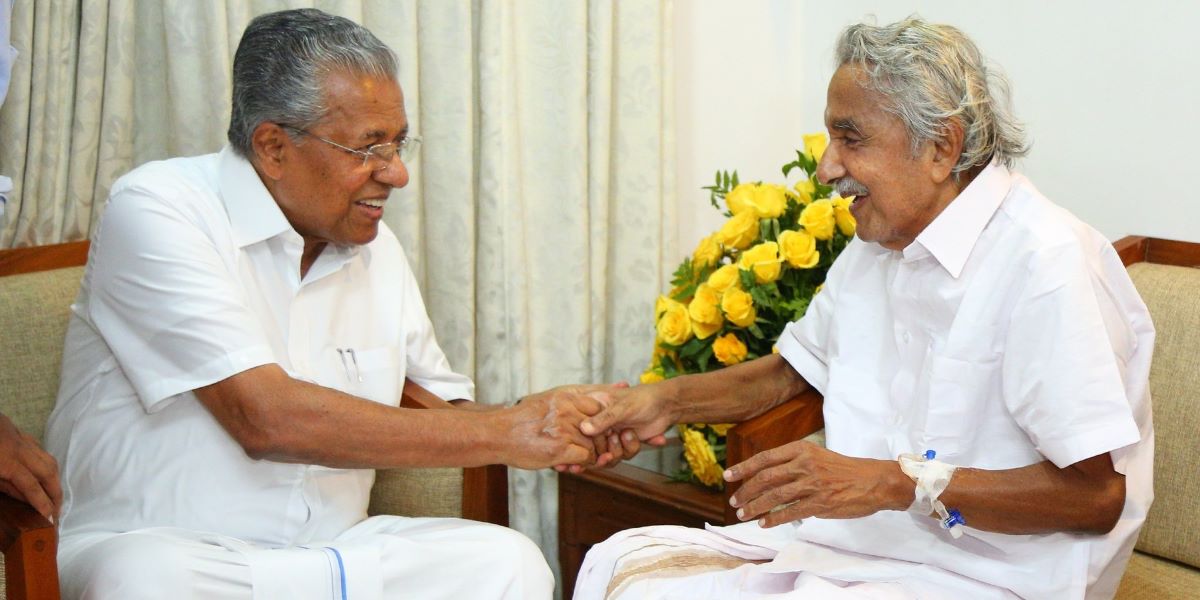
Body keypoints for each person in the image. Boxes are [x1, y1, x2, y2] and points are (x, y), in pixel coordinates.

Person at [45, 9, 625, 599]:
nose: (396, 174)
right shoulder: (159, 207)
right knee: (143, 580)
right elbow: (263, 418)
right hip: (178, 553)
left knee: (510, 561)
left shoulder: (376, 248)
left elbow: (438, 409)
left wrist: (563, 421)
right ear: (272, 146)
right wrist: (510, 431)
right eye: (368, 148)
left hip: (335, 555)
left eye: (398, 144)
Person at [572, 17, 1153, 600]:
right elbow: (790, 374)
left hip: (991, 576)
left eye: (851, 139)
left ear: (940, 147)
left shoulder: (1046, 262)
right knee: (624, 563)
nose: (827, 167)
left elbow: (1097, 498)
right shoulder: (879, 243)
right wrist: (664, 402)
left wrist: (891, 484)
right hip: (861, 551)